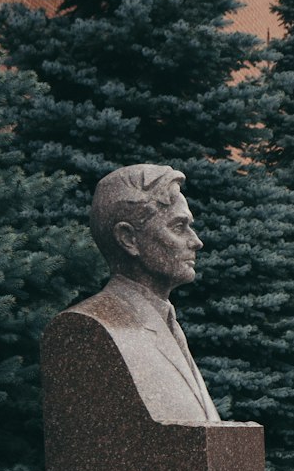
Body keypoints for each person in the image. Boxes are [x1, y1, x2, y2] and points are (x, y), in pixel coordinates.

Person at [61, 162, 221, 424]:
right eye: (179, 227)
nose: (196, 241)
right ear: (128, 239)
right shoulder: (89, 327)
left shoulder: (168, 323)